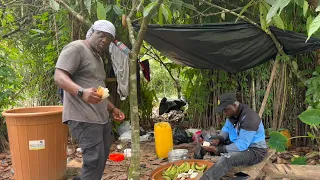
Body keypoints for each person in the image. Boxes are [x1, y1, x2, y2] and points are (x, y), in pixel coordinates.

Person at [54, 20, 125, 180]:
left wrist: (113, 108)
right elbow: (59, 76)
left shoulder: (98, 59)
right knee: (93, 161)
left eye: (109, 39)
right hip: (83, 117)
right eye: (102, 35)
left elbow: (99, 92)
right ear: (92, 32)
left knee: (100, 160)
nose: (105, 41)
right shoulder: (76, 48)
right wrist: (81, 92)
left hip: (100, 118)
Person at [196, 93, 267, 180]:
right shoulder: (232, 115)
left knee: (228, 159)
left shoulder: (250, 118)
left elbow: (241, 145)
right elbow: (226, 129)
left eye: (226, 110)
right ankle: (195, 163)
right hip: (238, 143)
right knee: (208, 140)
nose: (224, 113)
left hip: (255, 151)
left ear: (234, 105)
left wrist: (218, 149)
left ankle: (205, 178)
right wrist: (218, 139)